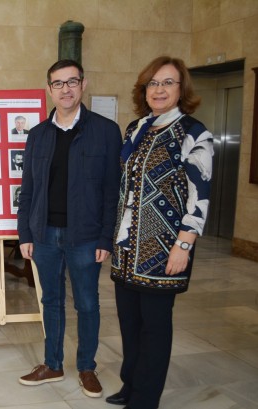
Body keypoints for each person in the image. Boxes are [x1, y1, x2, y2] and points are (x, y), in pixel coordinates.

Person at [107, 56, 213, 409]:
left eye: (167, 82)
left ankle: (145, 398)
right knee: (130, 324)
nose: (159, 89)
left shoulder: (194, 133)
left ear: (181, 89)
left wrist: (185, 244)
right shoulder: (136, 128)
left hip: (164, 247)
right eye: (153, 83)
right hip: (127, 248)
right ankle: (131, 384)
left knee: (154, 326)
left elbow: (201, 195)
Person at [17, 59, 122, 398]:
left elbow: (111, 191)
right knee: (51, 300)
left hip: (86, 236)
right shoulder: (37, 135)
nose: (65, 89)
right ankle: (53, 363)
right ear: (50, 89)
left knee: (88, 303)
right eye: (58, 83)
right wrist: (25, 234)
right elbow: (28, 190)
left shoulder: (105, 131)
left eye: (71, 81)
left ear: (83, 84)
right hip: (44, 234)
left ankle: (87, 367)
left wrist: (106, 236)